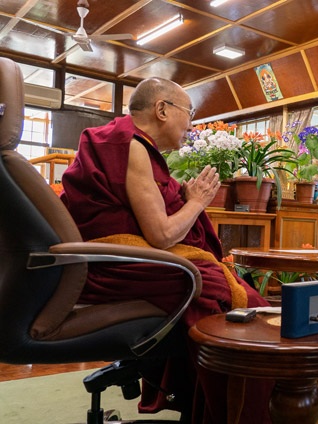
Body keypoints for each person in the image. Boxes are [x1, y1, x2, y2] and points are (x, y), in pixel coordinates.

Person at [60, 77, 272, 423]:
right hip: (116, 268)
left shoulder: (124, 142)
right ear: (162, 109)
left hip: (104, 263)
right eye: (189, 113)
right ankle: (235, 412)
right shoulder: (132, 146)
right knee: (230, 298)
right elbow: (160, 235)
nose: (190, 124)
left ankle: (203, 403)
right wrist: (198, 202)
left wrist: (182, 199)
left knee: (226, 289)